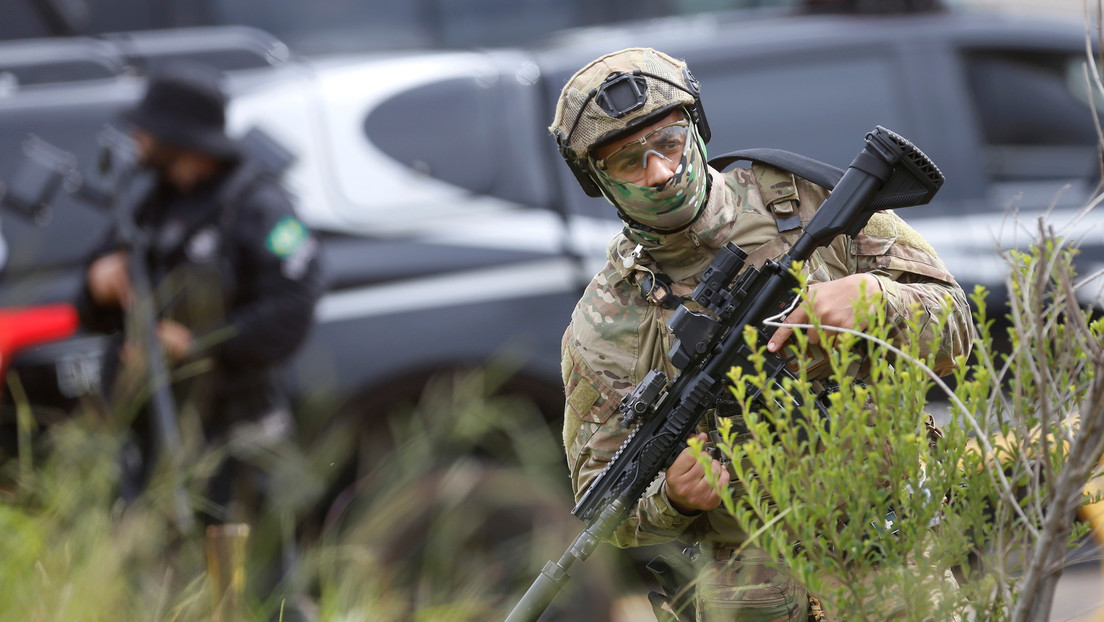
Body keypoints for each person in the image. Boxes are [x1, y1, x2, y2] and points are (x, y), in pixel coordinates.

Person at [549, 48, 973, 621]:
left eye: (669, 143)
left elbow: (957, 329)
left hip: (895, 565)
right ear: (596, 180)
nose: (660, 171)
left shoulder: (806, 199)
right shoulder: (603, 325)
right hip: (753, 597)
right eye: (628, 162)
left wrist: (879, 303)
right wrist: (672, 500)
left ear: (696, 129)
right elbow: (604, 502)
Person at [76, 62, 322, 527]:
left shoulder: (258, 206)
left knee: (257, 579)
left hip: (238, 431)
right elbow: (88, 309)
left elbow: (292, 307)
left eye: (147, 127)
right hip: (156, 438)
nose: (136, 136)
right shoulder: (150, 204)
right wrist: (98, 284)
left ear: (180, 134)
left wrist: (195, 345)